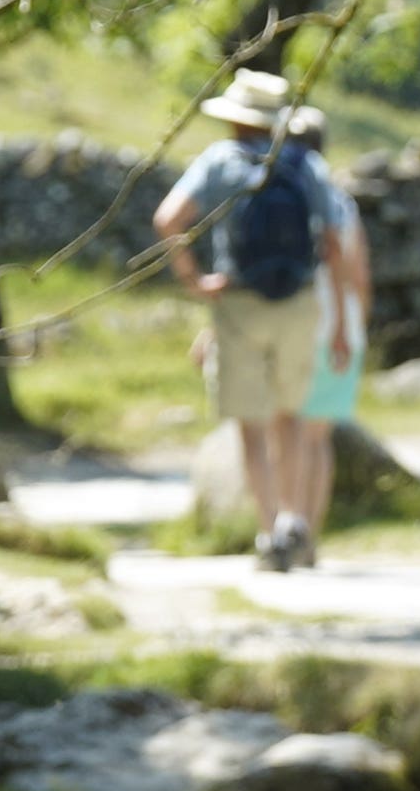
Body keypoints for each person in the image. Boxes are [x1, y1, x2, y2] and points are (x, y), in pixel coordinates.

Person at [151, 73, 335, 571]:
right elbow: (335, 238)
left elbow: (168, 219)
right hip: (298, 303)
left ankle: (268, 528)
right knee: (291, 417)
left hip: (237, 303)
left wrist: (195, 281)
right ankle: (296, 522)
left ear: (234, 118)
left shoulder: (219, 162)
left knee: (251, 427)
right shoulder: (305, 165)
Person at [287, 102, 373, 492]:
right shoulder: (340, 202)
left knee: (283, 433)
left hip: (285, 322)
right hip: (336, 328)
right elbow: (358, 276)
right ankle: (306, 533)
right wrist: (352, 327)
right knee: (316, 439)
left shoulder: (271, 194)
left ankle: (279, 525)